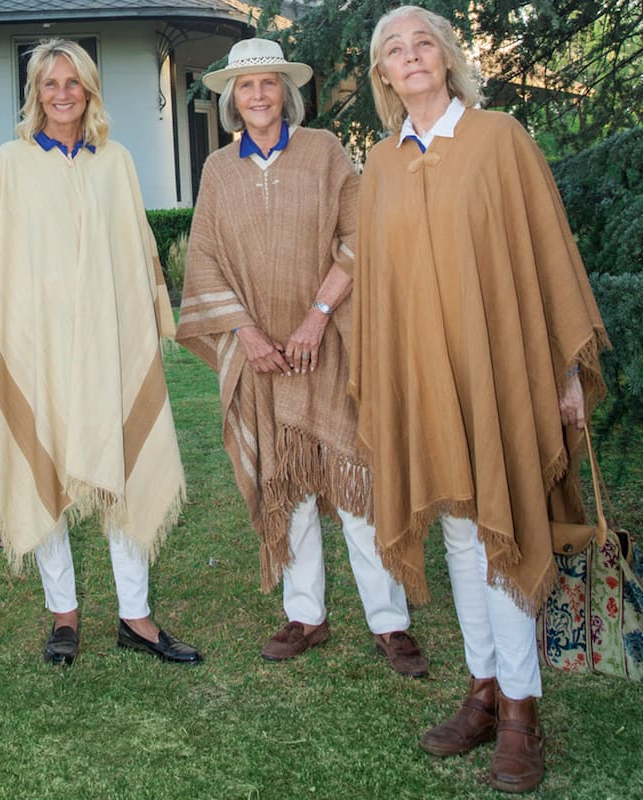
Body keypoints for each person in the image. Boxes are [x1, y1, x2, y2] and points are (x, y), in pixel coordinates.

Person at [354, 6, 608, 792]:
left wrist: (564, 373)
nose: (410, 55)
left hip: (499, 372)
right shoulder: (381, 165)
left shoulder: (500, 139)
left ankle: (524, 711)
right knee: (462, 535)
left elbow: (544, 252)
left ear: (446, 55)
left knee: (503, 527)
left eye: (422, 41)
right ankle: (484, 687)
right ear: (383, 76)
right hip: (428, 378)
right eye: (393, 49)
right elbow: (380, 290)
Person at [176, 38, 426, 676]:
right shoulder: (218, 169)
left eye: (268, 84)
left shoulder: (325, 153)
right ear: (232, 98)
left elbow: (359, 234)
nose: (258, 95)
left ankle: (389, 621)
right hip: (260, 353)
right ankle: (304, 614)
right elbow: (204, 258)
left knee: (353, 477)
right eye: (246, 86)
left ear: (287, 93)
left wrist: (316, 317)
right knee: (287, 486)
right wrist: (246, 334)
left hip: (326, 342)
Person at [0, 39, 200, 666]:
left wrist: (139, 331)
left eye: (73, 82)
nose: (63, 93)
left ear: (90, 88)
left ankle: (136, 616)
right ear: (35, 93)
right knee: (42, 457)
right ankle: (65, 616)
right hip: (39, 345)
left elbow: (132, 255)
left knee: (122, 465)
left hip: (108, 343)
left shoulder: (117, 161)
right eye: (50, 84)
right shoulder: (10, 162)